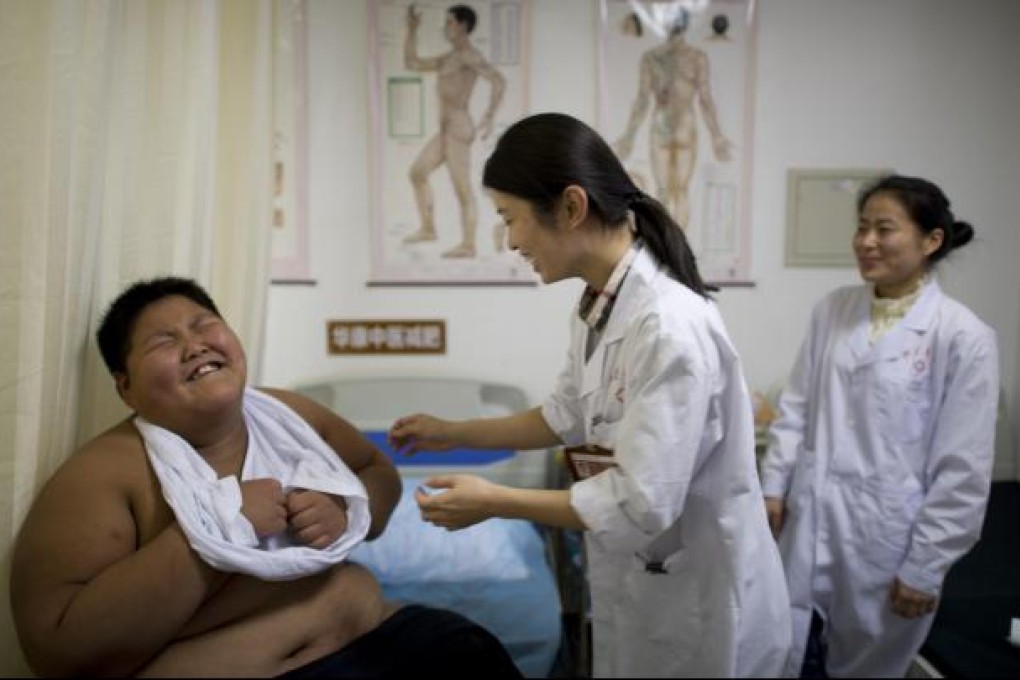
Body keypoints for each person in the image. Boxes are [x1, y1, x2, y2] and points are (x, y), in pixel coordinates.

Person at [388, 112, 792, 677]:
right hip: (648, 583)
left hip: (701, 605)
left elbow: (641, 502)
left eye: (511, 218)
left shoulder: (668, 325)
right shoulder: (599, 305)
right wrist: (449, 433)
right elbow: (564, 415)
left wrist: (494, 501)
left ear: (571, 207)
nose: (510, 242)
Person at [10, 276, 522, 678]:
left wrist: (347, 511)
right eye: (164, 341)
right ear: (125, 387)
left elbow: (377, 471)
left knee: (473, 651)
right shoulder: (102, 474)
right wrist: (219, 527)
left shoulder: (290, 415)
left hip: (375, 634)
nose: (195, 345)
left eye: (204, 324)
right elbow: (58, 650)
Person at [760, 175, 1000, 678]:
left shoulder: (963, 337)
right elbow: (797, 408)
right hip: (809, 521)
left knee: (867, 668)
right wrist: (773, 488)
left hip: (888, 538)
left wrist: (927, 565)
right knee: (783, 650)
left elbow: (964, 468)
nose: (866, 241)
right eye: (862, 227)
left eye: (884, 229)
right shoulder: (834, 310)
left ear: (931, 240)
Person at [402, 3, 506, 258]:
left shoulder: (469, 55)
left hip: (459, 128)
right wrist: (412, 30)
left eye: (449, 22)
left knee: (462, 188)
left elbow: (498, 80)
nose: (445, 28)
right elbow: (412, 63)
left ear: (462, 26)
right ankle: (428, 228)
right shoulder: (449, 57)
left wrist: (490, 115)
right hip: (446, 128)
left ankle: (469, 245)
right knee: (417, 172)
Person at [613, 7, 732, 228]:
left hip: (670, 127)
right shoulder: (673, 57)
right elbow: (643, 100)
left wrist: (717, 137)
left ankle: (674, 250)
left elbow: (644, 100)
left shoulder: (675, 57)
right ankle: (670, 249)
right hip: (673, 127)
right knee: (674, 192)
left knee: (670, 191)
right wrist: (628, 136)